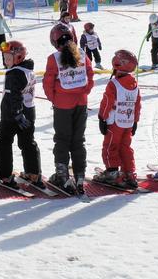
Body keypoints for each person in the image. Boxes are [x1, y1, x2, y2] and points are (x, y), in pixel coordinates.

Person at [43, 23, 94, 195]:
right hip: (81, 102)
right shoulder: (82, 55)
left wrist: (55, 98)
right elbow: (90, 75)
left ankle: (63, 177)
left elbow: (48, 82)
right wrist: (84, 92)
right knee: (78, 140)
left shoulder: (53, 58)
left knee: (63, 140)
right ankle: (79, 176)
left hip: (62, 104)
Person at [0, 40, 44, 189]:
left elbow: (14, 95)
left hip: (12, 114)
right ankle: (34, 173)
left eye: (8, 58)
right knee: (27, 142)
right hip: (29, 111)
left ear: (18, 57)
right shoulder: (29, 70)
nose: (5, 61)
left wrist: (17, 114)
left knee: (3, 142)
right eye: (4, 58)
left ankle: (4, 174)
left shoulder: (14, 73)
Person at [95, 50, 141, 188]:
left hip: (114, 123)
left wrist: (102, 117)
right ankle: (129, 172)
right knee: (125, 147)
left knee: (111, 146)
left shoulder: (114, 84)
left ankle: (112, 172)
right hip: (127, 121)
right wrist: (135, 121)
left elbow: (107, 102)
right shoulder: (134, 84)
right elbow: (137, 104)